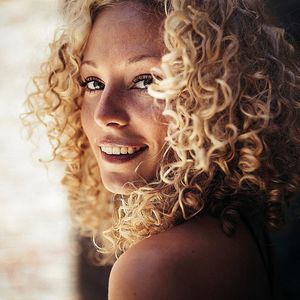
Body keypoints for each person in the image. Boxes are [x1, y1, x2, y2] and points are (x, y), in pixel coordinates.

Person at [23, 0, 300, 299]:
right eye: (93, 82)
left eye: (145, 81)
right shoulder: (231, 224)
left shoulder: (154, 269)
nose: (104, 114)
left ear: (215, 95)